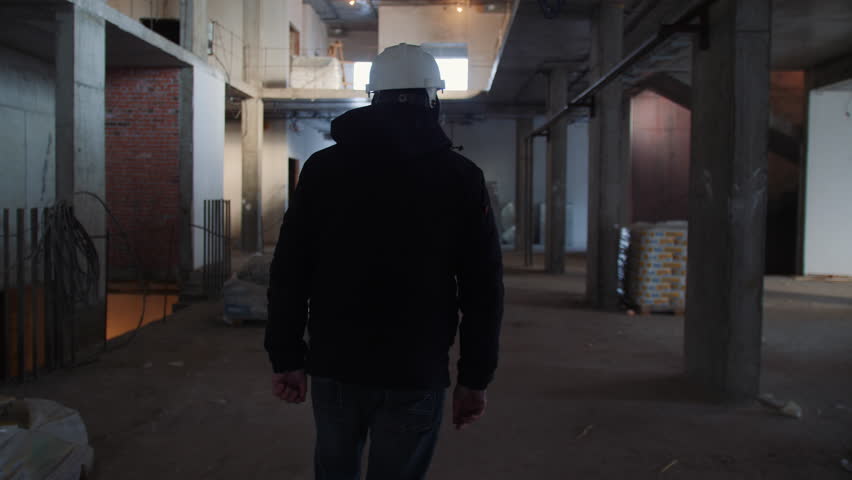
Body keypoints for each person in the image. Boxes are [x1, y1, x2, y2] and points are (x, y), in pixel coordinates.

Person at [265, 43, 504, 480]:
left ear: (372, 98)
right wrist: (475, 378)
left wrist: (286, 356)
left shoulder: (321, 170)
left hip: (336, 365)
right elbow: (483, 289)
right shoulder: (460, 178)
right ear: (433, 99)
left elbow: (289, 272)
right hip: (416, 369)